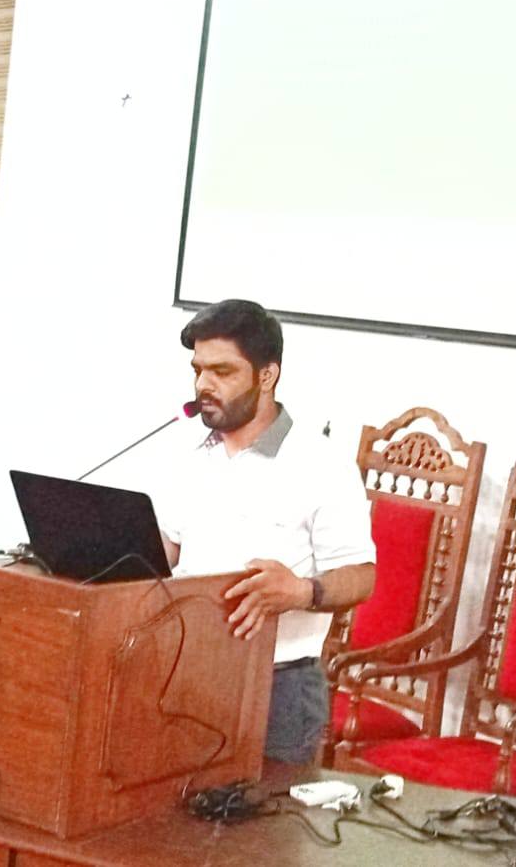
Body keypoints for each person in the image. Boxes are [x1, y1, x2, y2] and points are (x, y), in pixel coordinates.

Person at [157, 299, 375, 763]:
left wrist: (301, 591)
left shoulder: (320, 464)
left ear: (267, 375)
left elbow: (361, 576)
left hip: (277, 688)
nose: (203, 385)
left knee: (263, 813)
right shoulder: (190, 456)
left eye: (222, 371)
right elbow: (166, 552)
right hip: (185, 671)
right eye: (198, 370)